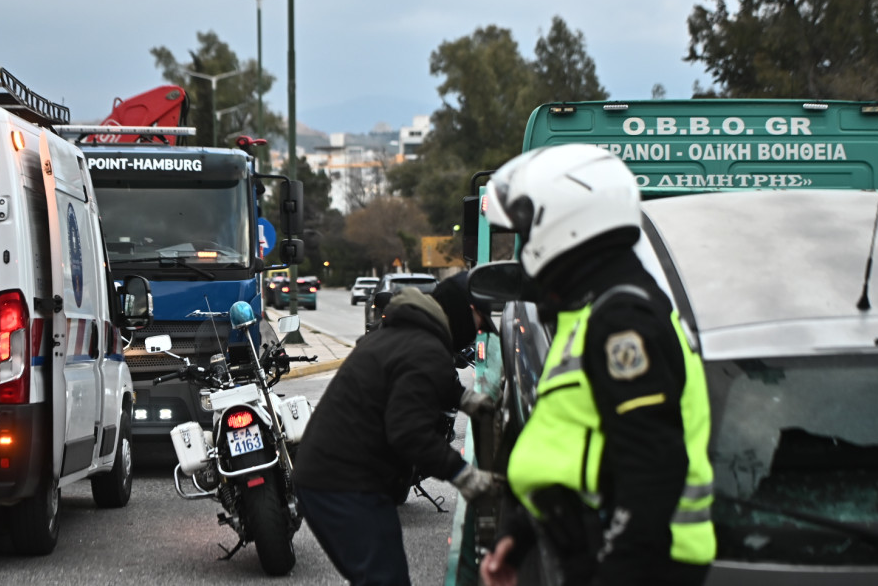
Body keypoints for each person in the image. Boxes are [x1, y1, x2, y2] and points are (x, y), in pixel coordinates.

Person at [479, 144, 715, 586]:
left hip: (641, 564)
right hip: (591, 548)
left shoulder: (622, 320)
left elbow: (652, 467)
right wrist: (519, 533)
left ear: (564, 224)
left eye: (525, 233)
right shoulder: (589, 312)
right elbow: (572, 443)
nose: (523, 248)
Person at [294, 272, 501, 586]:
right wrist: (464, 475)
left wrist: (464, 398)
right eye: (480, 321)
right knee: (385, 580)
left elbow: (413, 377)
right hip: (341, 485)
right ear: (462, 309)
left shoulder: (406, 332)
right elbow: (409, 433)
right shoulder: (425, 347)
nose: (479, 331)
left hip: (338, 477)